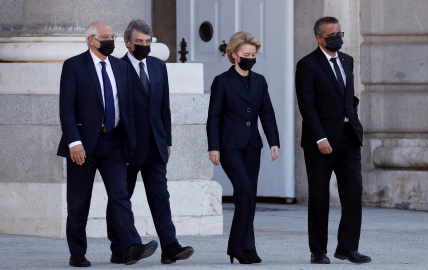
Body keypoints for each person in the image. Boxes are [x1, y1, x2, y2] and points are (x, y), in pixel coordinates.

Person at [57, 21, 158, 267]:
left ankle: (129, 247)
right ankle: (77, 253)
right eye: (106, 37)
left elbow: (128, 109)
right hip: (83, 144)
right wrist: (74, 143)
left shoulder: (119, 67)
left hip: (113, 142)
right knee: (79, 201)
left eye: (112, 36)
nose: (111, 41)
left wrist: (128, 145)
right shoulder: (74, 66)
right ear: (91, 40)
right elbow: (66, 108)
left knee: (120, 196)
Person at [105, 19, 194, 265]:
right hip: (127, 147)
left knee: (160, 196)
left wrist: (167, 138)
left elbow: (163, 105)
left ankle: (170, 246)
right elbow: (116, 110)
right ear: (127, 43)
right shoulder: (116, 68)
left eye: (148, 41)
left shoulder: (157, 66)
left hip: (156, 144)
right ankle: (119, 248)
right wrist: (118, 147)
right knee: (121, 198)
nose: (144, 46)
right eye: (139, 42)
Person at [295, 16, 371, 264]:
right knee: (319, 196)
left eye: (339, 33)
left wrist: (355, 122)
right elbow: (307, 105)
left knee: (353, 191)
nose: (337, 38)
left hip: (348, 139)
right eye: (331, 35)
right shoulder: (307, 65)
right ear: (319, 38)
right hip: (321, 143)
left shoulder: (347, 60)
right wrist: (320, 137)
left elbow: (349, 96)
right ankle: (318, 251)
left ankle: (348, 248)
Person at [206, 31, 280, 264]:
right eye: (246, 54)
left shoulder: (260, 81)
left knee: (247, 197)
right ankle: (240, 246)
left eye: (253, 54)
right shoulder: (222, 81)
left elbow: (267, 113)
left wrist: (273, 141)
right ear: (234, 55)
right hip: (229, 147)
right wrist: (213, 147)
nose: (250, 57)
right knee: (246, 192)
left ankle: (243, 247)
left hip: (252, 146)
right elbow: (214, 117)